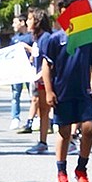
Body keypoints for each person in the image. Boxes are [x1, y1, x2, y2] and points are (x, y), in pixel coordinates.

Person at [41, 19, 92, 182]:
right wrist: (48, 91)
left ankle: (81, 169)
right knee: (64, 131)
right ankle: (61, 173)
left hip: (84, 93)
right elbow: (46, 65)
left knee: (89, 129)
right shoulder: (55, 39)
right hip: (62, 92)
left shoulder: (89, 40)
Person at [25, 8, 55, 154]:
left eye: (30, 19)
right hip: (39, 80)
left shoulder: (46, 38)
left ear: (37, 21)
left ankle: (69, 140)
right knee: (43, 111)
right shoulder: (37, 38)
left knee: (46, 110)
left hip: (46, 80)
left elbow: (47, 61)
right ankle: (42, 141)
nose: (27, 22)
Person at [9, 15, 33, 131]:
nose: (14, 25)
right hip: (16, 70)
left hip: (29, 69)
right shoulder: (14, 39)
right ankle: (15, 118)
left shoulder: (31, 37)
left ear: (22, 22)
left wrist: (27, 48)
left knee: (33, 95)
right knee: (15, 94)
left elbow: (35, 51)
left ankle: (34, 117)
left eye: (15, 22)